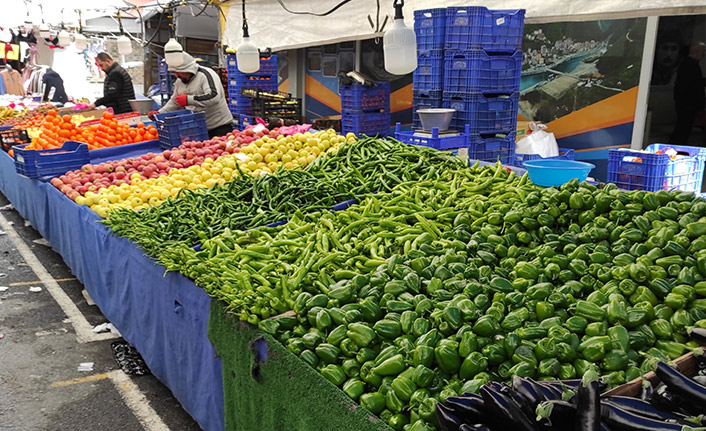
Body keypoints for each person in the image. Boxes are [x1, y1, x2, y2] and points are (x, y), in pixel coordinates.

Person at [151, 52, 233, 138]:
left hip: (219, 126)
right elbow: (175, 101)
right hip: (198, 128)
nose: (177, 75)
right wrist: (160, 112)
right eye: (175, 73)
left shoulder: (205, 75)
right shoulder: (180, 81)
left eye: (179, 72)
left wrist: (188, 99)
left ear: (188, 69)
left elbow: (214, 96)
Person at [670, 41, 706, 145]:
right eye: (703, 51)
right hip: (687, 104)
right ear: (696, 51)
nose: (704, 54)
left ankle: (677, 146)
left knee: (683, 128)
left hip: (687, 104)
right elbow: (691, 86)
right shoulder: (689, 65)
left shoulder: (689, 64)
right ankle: (676, 147)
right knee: (683, 129)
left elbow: (695, 82)